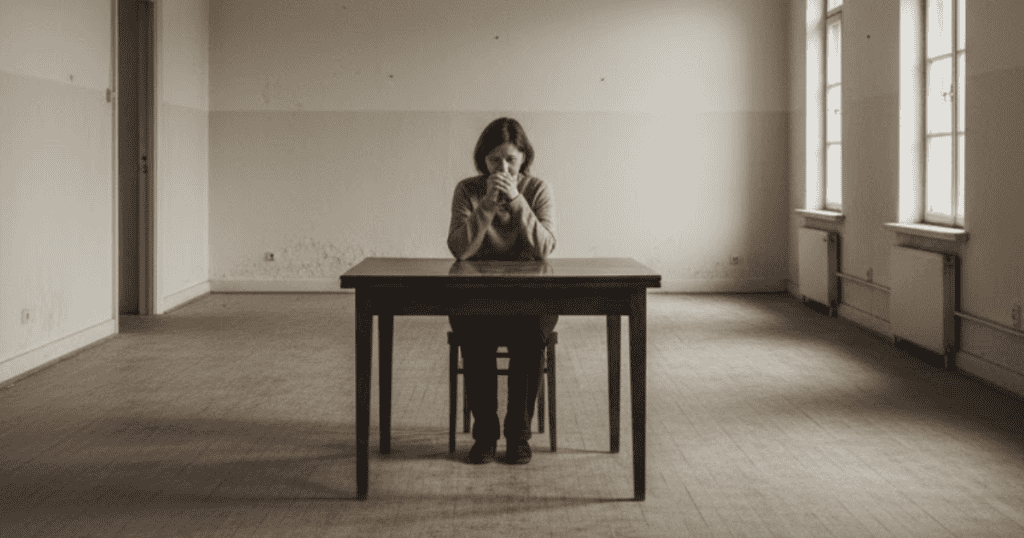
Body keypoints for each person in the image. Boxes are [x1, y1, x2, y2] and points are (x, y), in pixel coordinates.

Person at [447, 117, 557, 465]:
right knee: (475, 336)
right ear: (484, 161)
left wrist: (517, 201)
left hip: (530, 295)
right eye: (495, 161)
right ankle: (485, 435)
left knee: (529, 338)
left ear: (523, 157)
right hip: (479, 294)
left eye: (510, 159)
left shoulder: (538, 189)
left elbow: (545, 249)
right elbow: (461, 250)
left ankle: (518, 435)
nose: (503, 167)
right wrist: (487, 206)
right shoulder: (468, 189)